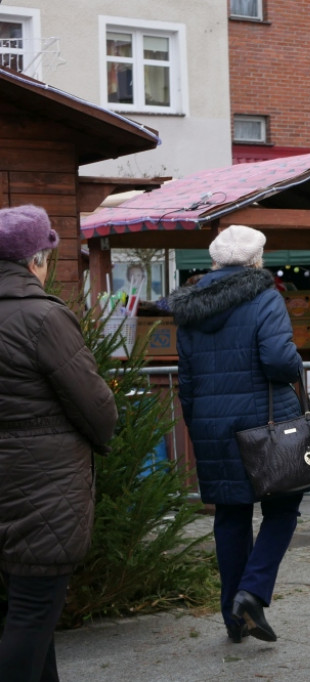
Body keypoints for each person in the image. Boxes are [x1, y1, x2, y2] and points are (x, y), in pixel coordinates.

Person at [168, 224, 305, 645]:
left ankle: (234, 620)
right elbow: (280, 360)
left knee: (231, 515)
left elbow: (186, 380)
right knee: (283, 505)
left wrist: (197, 423)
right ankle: (253, 591)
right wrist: (297, 365)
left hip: (212, 424)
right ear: (256, 260)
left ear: (214, 261)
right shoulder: (265, 298)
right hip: (264, 423)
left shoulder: (190, 309)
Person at [0, 205, 119, 682]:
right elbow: (96, 406)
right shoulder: (43, 318)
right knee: (32, 616)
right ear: (35, 261)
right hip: (43, 485)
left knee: (27, 614)